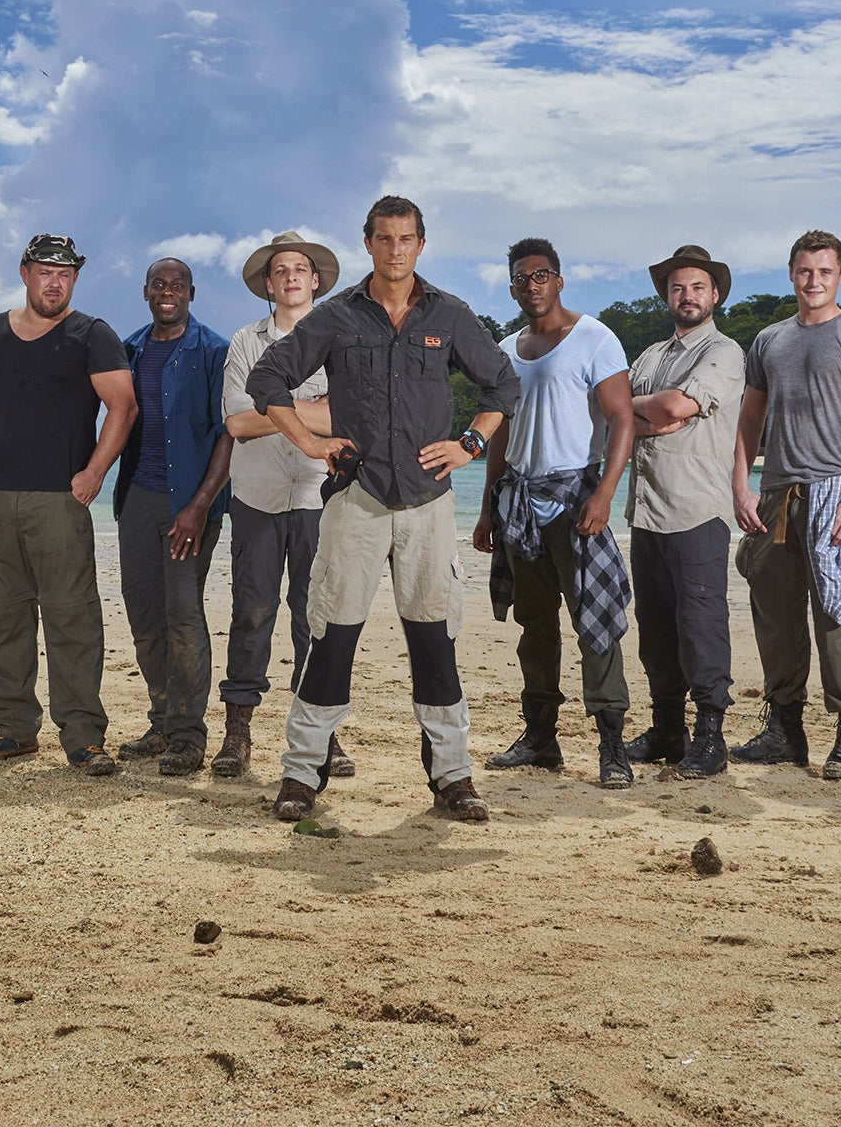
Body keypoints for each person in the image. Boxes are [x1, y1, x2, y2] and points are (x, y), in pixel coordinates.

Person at [248, 195, 519, 824]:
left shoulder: (449, 314)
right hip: (355, 500)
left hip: (428, 505)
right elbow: (268, 380)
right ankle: (300, 775)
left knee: (434, 643)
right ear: (367, 244)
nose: (395, 250)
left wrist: (469, 443)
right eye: (384, 239)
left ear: (421, 244)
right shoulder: (338, 317)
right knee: (331, 639)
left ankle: (452, 777)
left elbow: (502, 384)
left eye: (406, 239)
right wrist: (310, 441)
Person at [0, 234, 135, 777]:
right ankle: (13, 728)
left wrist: (93, 473)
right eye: (44, 272)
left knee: (72, 617)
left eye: (65, 274)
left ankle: (83, 735)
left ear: (75, 279)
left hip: (60, 499)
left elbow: (122, 406)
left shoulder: (92, 334)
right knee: (2, 615)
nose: (54, 282)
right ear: (25, 273)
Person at [474, 238, 637, 787]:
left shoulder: (595, 338)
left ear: (559, 280)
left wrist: (605, 493)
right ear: (513, 286)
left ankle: (611, 743)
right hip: (518, 501)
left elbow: (621, 421)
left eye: (541, 274)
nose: (531, 284)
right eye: (521, 278)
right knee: (534, 624)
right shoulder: (505, 349)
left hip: (575, 499)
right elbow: (500, 433)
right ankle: (541, 737)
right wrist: (486, 508)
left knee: (594, 623)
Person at [729, 230, 841, 780]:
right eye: (804, 271)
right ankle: (784, 731)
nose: (814, 281)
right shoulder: (769, 339)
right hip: (775, 493)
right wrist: (741, 486)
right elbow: (749, 421)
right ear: (791, 274)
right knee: (775, 617)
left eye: (824, 271)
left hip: (834, 491)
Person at [215, 233, 347, 779]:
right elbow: (237, 423)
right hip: (256, 497)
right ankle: (237, 733)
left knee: (317, 617)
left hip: (323, 496)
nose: (291, 276)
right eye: (280, 271)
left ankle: (323, 736)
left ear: (315, 279)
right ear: (268, 285)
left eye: (301, 268)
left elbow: (348, 419)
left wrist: (274, 404)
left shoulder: (341, 338)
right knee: (251, 613)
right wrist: (309, 409)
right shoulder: (246, 342)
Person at [621, 245, 744, 779]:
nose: (686, 295)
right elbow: (609, 412)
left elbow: (673, 407)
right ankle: (668, 730)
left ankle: (710, 738)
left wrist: (643, 413)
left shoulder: (726, 352)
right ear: (666, 295)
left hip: (697, 509)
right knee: (655, 628)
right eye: (677, 287)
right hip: (645, 511)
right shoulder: (649, 356)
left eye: (697, 287)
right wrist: (649, 417)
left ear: (714, 294)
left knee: (701, 625)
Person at [113, 259, 234, 775]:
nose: (168, 292)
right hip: (137, 499)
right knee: (144, 618)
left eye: (177, 285)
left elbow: (229, 433)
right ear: (145, 293)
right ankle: (162, 719)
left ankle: (189, 735)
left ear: (191, 293)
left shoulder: (213, 351)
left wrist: (199, 506)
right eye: (159, 285)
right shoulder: (130, 348)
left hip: (190, 504)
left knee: (183, 616)